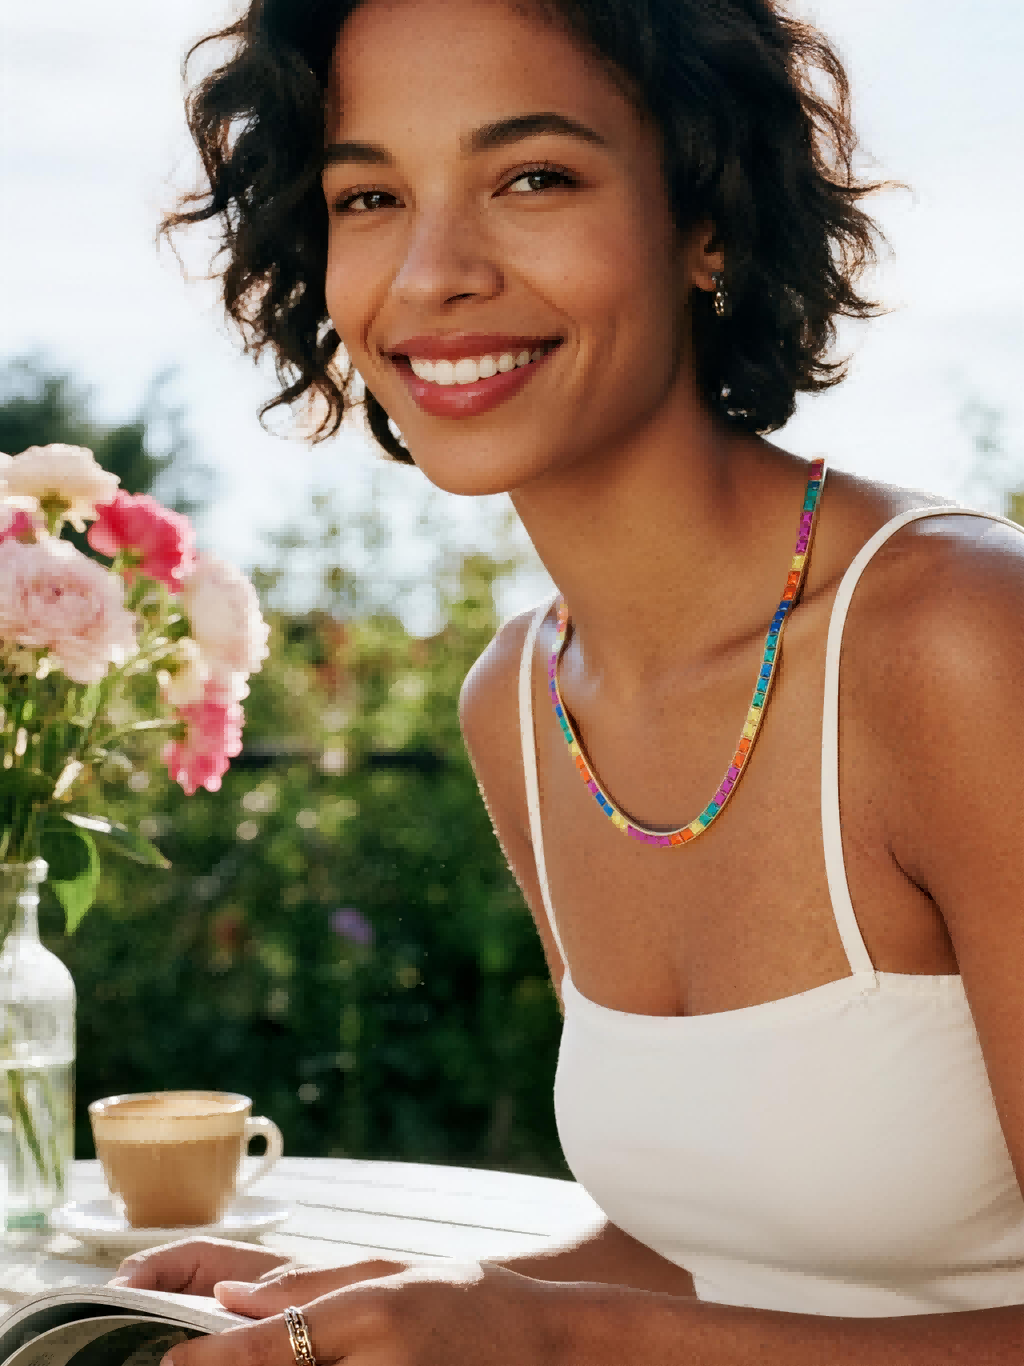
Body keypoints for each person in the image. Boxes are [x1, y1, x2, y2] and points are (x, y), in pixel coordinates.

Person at [114, 0, 1024, 1360]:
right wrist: (397, 1291)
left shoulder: (958, 636)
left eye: (533, 176)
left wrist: (565, 1338)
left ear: (705, 214)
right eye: (370, 194)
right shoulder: (523, 704)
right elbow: (713, 1251)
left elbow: (631, 1329)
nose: (431, 273)